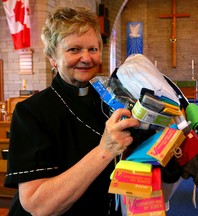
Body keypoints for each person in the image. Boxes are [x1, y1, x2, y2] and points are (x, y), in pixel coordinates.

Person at [4, 7, 140, 215]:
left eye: (93, 49)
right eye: (74, 50)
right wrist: (104, 150)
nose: (86, 58)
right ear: (52, 58)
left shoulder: (111, 99)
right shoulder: (30, 113)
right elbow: (38, 205)